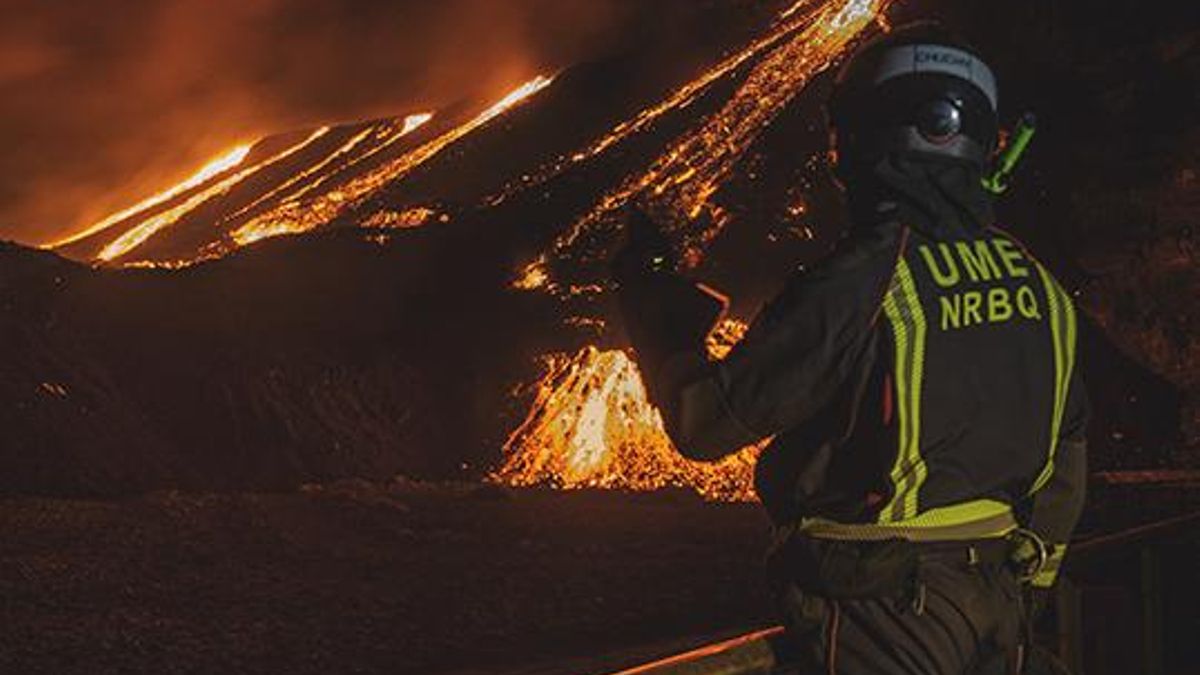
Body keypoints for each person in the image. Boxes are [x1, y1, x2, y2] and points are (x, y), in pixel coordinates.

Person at [611, 22, 1088, 675]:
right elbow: (1069, 452)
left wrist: (659, 317)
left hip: (884, 615)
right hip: (997, 604)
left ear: (863, 139)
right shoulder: (1039, 286)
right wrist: (1031, 581)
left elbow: (705, 421)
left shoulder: (864, 280)